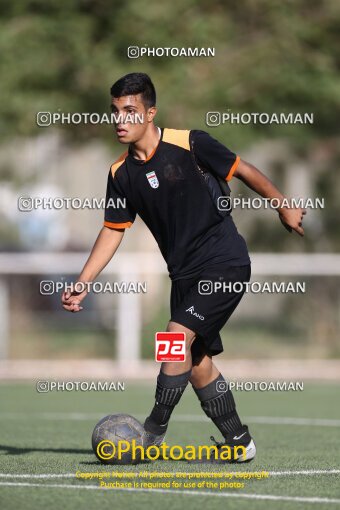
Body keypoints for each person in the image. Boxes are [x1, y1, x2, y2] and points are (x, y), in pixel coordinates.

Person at [62, 72, 306, 463]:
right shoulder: (120, 173)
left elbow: (243, 169)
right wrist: (84, 281)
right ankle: (240, 444)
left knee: (174, 338)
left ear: (151, 113)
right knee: (195, 364)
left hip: (224, 262)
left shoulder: (190, 143)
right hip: (184, 276)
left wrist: (282, 203)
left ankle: (152, 433)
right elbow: (113, 229)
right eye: (114, 111)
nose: (120, 119)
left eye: (130, 111)